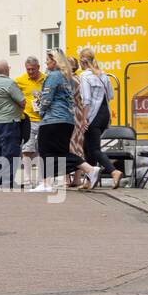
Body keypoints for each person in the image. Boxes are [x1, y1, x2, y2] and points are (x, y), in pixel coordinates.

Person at [33, 48, 102, 193]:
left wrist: (41, 112)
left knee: (46, 150)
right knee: (58, 151)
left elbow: (46, 99)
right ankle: (46, 183)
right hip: (67, 120)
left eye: (47, 60)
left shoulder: (53, 75)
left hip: (53, 119)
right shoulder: (67, 76)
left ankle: (88, 169)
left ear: (54, 61)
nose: (45, 63)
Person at [78, 47, 121, 188]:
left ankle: (114, 171)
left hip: (93, 115)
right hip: (104, 115)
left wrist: (84, 119)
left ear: (82, 62)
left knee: (94, 149)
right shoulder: (103, 75)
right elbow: (110, 96)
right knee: (87, 146)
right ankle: (90, 180)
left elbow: (86, 100)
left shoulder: (84, 76)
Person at [0, 60, 25, 188]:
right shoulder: (9, 83)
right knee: (10, 150)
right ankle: (8, 180)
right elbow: (22, 101)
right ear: (6, 69)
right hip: (9, 121)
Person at [15, 57, 44, 188]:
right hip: (29, 120)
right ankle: (27, 178)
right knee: (27, 149)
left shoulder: (46, 79)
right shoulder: (20, 80)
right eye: (28, 69)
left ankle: (42, 179)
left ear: (38, 67)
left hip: (44, 119)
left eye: (33, 69)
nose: (30, 72)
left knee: (42, 150)